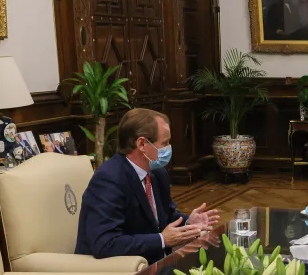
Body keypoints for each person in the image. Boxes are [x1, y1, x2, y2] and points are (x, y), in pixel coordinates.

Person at [75, 108, 220, 264]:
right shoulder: (109, 179)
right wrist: (162, 240)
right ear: (142, 144)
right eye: (164, 143)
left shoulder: (157, 174)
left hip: (156, 268)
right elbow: (105, 244)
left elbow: (163, 217)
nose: (169, 148)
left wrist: (188, 222)